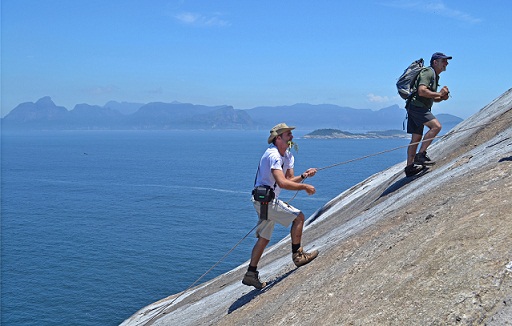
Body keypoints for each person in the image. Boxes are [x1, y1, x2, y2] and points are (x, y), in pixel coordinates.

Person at [242, 123, 319, 289]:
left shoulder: (288, 156)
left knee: (264, 237)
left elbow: (289, 179)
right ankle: (298, 256)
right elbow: (282, 183)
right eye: (288, 134)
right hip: (266, 201)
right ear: (278, 138)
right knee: (299, 217)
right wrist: (305, 187)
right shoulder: (273, 155)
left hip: (263, 201)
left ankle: (250, 273)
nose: (291, 137)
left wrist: (304, 176)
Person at [404, 52, 452, 177]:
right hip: (417, 107)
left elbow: (432, 97)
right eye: (444, 61)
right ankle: (421, 155)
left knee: (416, 138)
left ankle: (409, 167)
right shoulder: (428, 72)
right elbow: (422, 91)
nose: (446, 63)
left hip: (415, 107)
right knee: (436, 127)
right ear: (435, 62)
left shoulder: (435, 76)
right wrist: (440, 94)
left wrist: (442, 97)